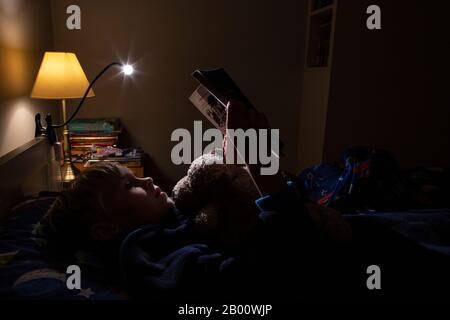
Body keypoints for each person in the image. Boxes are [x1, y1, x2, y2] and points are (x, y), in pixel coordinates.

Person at [38, 101, 352, 298]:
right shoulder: (160, 264)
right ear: (106, 229)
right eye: (129, 185)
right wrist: (264, 174)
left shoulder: (170, 224)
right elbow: (273, 275)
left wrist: (237, 160)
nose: (147, 179)